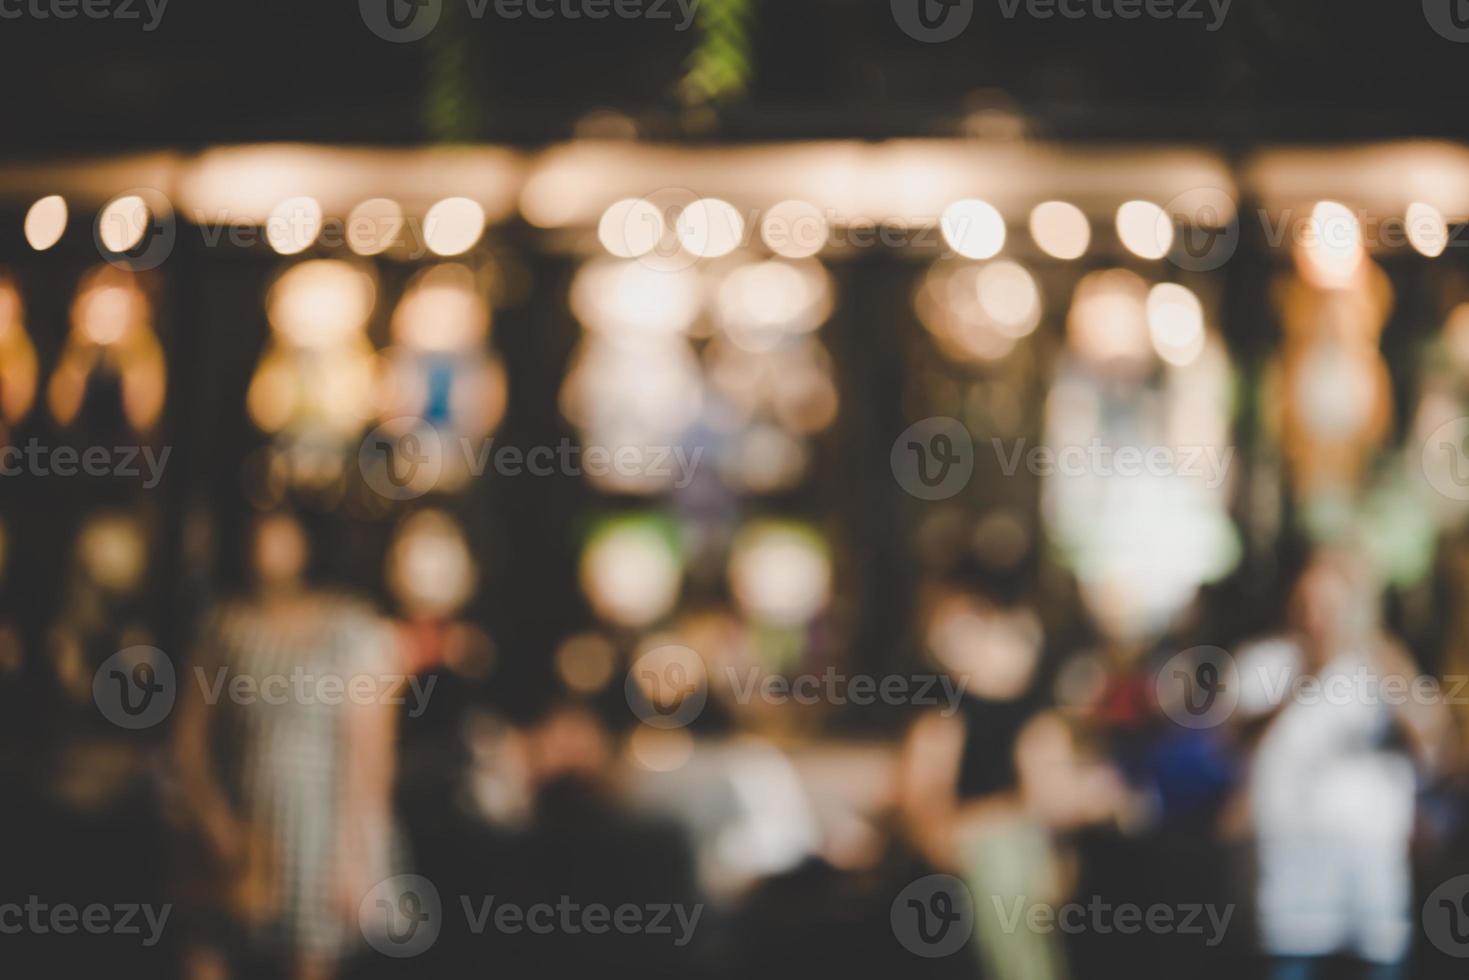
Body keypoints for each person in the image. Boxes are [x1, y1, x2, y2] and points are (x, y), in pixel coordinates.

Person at [173, 512, 401, 980]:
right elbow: (189, 741)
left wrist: (355, 852)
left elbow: (369, 754)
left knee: (310, 956)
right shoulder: (224, 627)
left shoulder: (350, 627)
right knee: (208, 950)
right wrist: (211, 817)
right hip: (241, 827)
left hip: (320, 829)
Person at [1240, 550, 1453, 980]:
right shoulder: (1267, 662)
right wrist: (1303, 678)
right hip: (1289, 895)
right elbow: (1234, 740)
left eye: (1332, 606)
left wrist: (1381, 653)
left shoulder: (1382, 667)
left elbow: (1436, 742)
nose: (1319, 619)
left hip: (1370, 892)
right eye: (1309, 605)